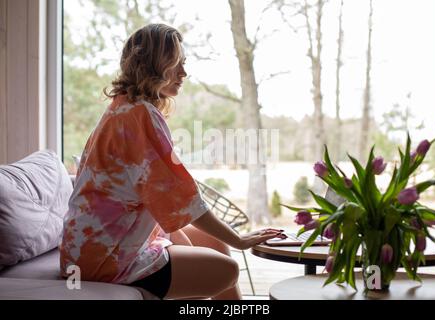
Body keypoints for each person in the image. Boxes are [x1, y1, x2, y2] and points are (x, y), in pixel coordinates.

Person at [59, 23, 284, 300]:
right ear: (153, 65)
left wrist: (180, 239)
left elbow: (153, 195)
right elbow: (182, 196)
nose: (183, 73)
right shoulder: (140, 116)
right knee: (227, 269)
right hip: (105, 259)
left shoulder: (122, 106)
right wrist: (240, 239)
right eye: (175, 64)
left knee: (215, 245)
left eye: (183, 64)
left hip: (86, 251)